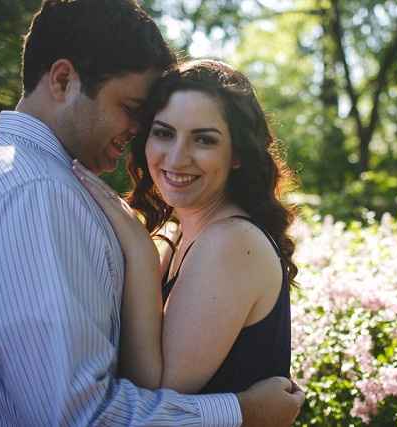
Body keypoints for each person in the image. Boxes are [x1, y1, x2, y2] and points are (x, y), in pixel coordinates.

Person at [0, 0, 303, 426]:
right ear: (62, 80)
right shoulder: (38, 191)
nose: (139, 133)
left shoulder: (18, 174)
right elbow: (78, 413)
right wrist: (244, 411)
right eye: (145, 119)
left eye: (203, 139)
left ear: (237, 152)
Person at [72, 59, 297, 395]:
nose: (177, 158)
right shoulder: (179, 235)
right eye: (163, 133)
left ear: (236, 153)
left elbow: (158, 399)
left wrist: (138, 247)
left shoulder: (232, 242)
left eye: (204, 140)